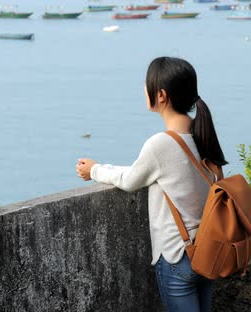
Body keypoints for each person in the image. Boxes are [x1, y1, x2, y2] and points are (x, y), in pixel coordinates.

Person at [75, 57, 227, 312]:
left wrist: (95, 170)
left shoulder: (161, 144)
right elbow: (149, 172)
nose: (143, 90)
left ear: (161, 95)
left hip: (178, 255)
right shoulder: (201, 134)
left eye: (147, 86)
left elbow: (131, 179)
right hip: (208, 249)